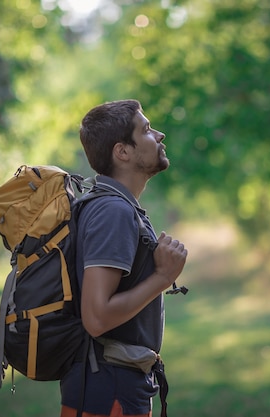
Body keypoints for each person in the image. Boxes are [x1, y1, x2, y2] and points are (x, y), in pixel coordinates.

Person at [59, 99, 188, 417]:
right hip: (109, 391)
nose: (159, 135)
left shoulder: (113, 205)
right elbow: (97, 317)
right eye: (145, 129)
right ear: (123, 152)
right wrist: (162, 278)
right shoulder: (113, 211)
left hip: (110, 386)